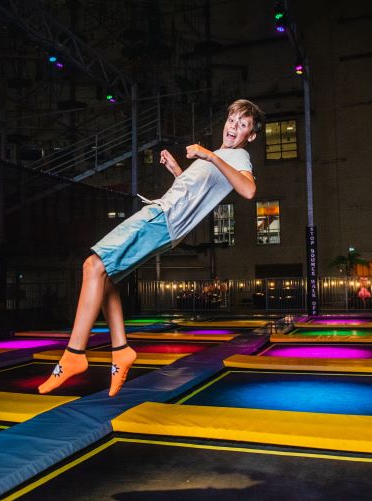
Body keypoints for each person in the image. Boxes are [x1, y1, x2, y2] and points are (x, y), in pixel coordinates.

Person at [38, 99, 265, 396]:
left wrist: (208, 155)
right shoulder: (222, 156)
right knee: (104, 276)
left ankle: (74, 356)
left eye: (243, 124)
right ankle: (121, 351)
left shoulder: (237, 157)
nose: (234, 126)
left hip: (161, 219)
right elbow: (192, 195)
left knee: (92, 266)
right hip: (165, 219)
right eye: (232, 120)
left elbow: (248, 190)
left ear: (251, 136)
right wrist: (177, 172)